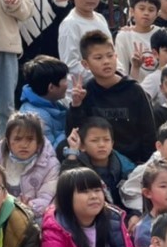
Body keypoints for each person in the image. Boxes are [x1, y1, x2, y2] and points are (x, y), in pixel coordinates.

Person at [65, 30, 156, 166]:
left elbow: (149, 132)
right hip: (96, 163)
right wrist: (76, 105)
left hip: (133, 163)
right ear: (85, 64)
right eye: (98, 58)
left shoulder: (134, 90)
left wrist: (145, 164)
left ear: (116, 57)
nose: (106, 62)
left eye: (110, 56)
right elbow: (74, 135)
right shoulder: (85, 93)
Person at [0, 113, 60, 217]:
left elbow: (47, 199)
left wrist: (28, 206)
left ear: (39, 142)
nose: (24, 145)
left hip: (32, 216)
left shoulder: (51, 165)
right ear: (8, 141)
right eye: (17, 139)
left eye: (30, 139)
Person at [57, 0, 111, 85]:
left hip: (107, 83)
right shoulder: (70, 24)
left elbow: (111, 52)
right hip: (82, 88)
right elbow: (70, 64)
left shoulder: (100, 18)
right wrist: (101, 75)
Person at [17, 55, 69, 149]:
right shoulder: (37, 117)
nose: (67, 84)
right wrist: (70, 132)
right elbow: (48, 151)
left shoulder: (53, 101)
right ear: (51, 87)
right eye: (64, 79)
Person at [113, 0, 162, 82]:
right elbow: (121, 68)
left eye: (151, 10)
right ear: (132, 11)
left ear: (157, 14)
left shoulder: (161, 33)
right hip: (135, 86)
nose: (146, 13)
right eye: (142, 9)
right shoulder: (124, 36)